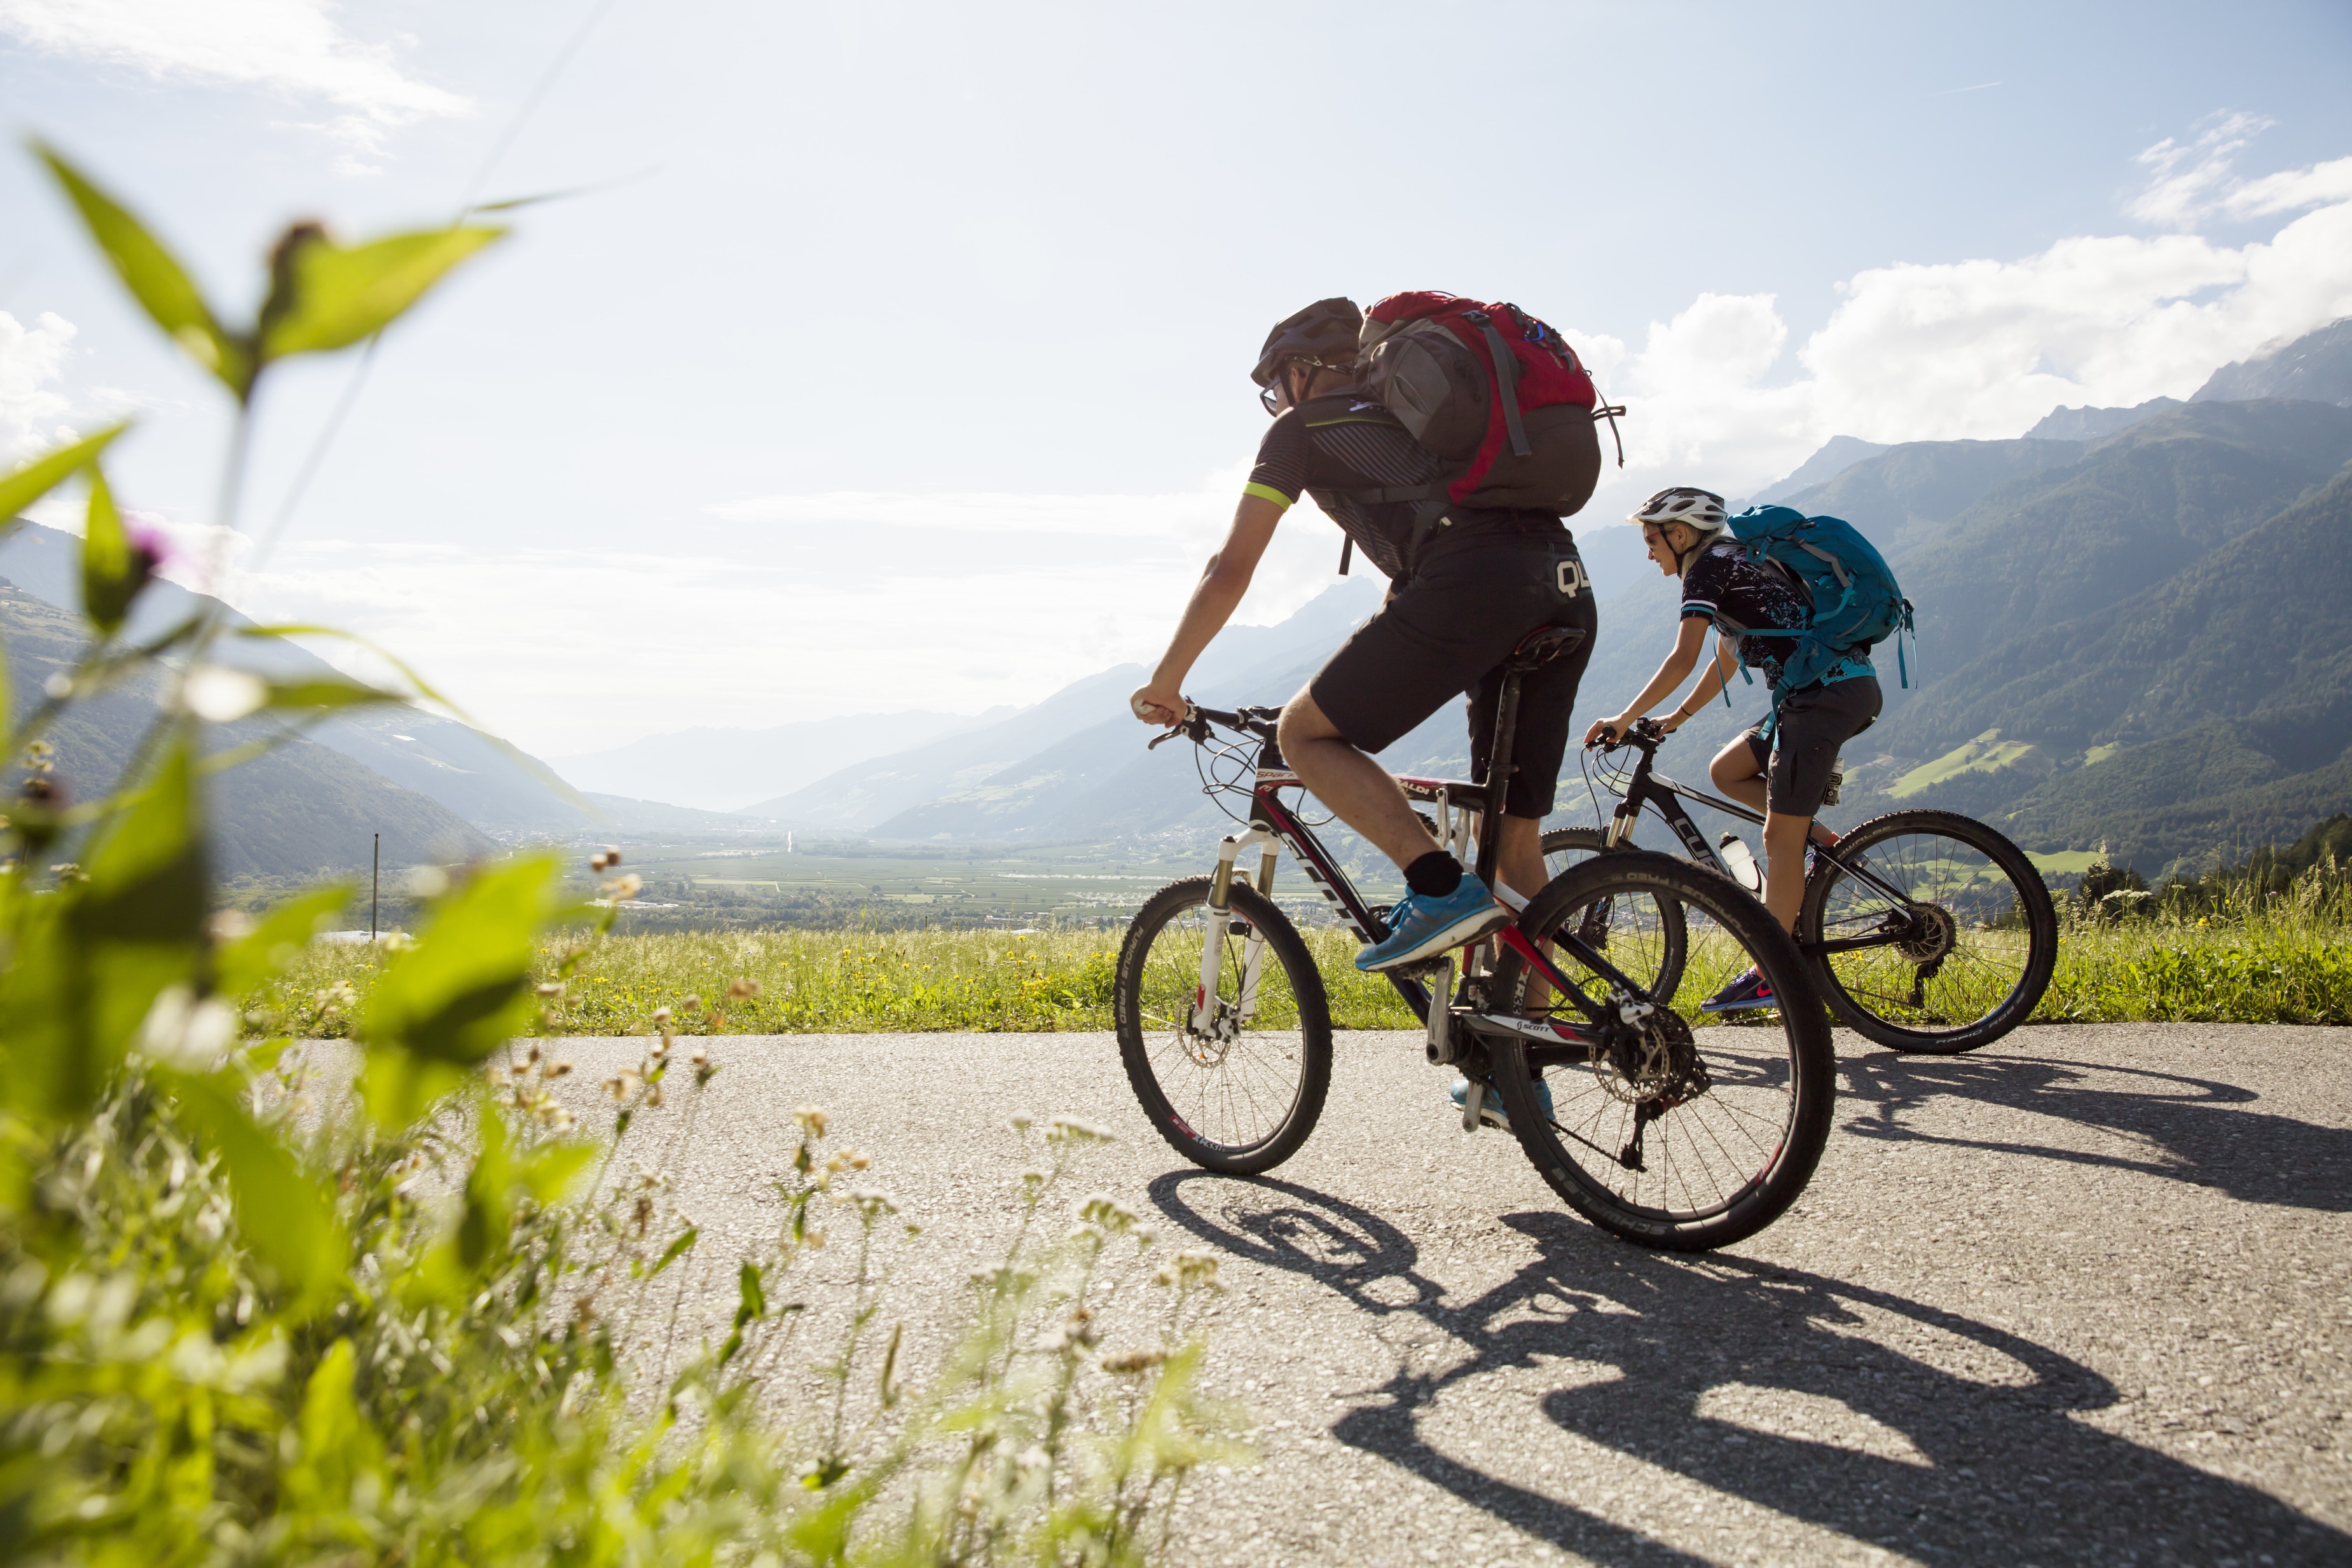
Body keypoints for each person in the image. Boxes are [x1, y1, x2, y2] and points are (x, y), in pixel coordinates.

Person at [1128, 298, 1600, 986]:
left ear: (1301, 370)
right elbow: (1423, 565)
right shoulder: (1429, 428)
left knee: (1304, 735)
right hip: (1564, 583)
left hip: (1476, 588)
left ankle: (1436, 886)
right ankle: (1520, 1069)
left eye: (1274, 385)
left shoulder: (1302, 430)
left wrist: (1167, 679)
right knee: (1513, 842)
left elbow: (1230, 568)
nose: (1276, 400)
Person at [1582, 486, 1882, 1012]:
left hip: (1823, 698)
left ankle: (1773, 972)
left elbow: (1682, 658)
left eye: (1652, 538)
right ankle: (1822, 845)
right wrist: (1673, 720)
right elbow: (1725, 658)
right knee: (1728, 771)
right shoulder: (1737, 560)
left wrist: (1622, 718)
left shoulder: (1707, 569)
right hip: (1829, 691)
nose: (1648, 550)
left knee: (1777, 837)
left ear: (1681, 534)